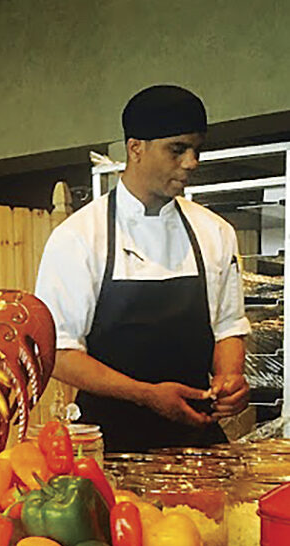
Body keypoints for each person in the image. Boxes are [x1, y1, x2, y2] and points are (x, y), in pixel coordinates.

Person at [35, 85, 250, 453]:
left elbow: (229, 328)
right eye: (177, 149)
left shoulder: (215, 232)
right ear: (136, 148)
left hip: (198, 446)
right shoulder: (79, 237)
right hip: (107, 448)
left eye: (197, 149)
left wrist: (230, 378)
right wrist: (146, 395)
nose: (192, 162)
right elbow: (59, 353)